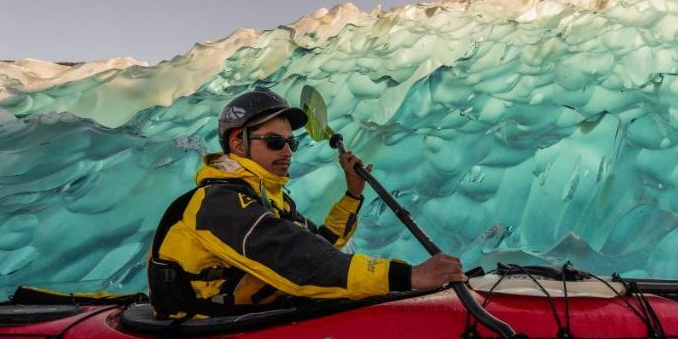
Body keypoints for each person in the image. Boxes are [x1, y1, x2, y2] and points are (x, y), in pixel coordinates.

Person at [147, 88, 465, 317]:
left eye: (291, 142)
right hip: (205, 328)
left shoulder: (267, 197)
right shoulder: (217, 204)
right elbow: (301, 262)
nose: (287, 152)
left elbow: (319, 245)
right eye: (274, 142)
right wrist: (407, 277)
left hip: (252, 312)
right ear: (237, 144)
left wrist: (352, 195)